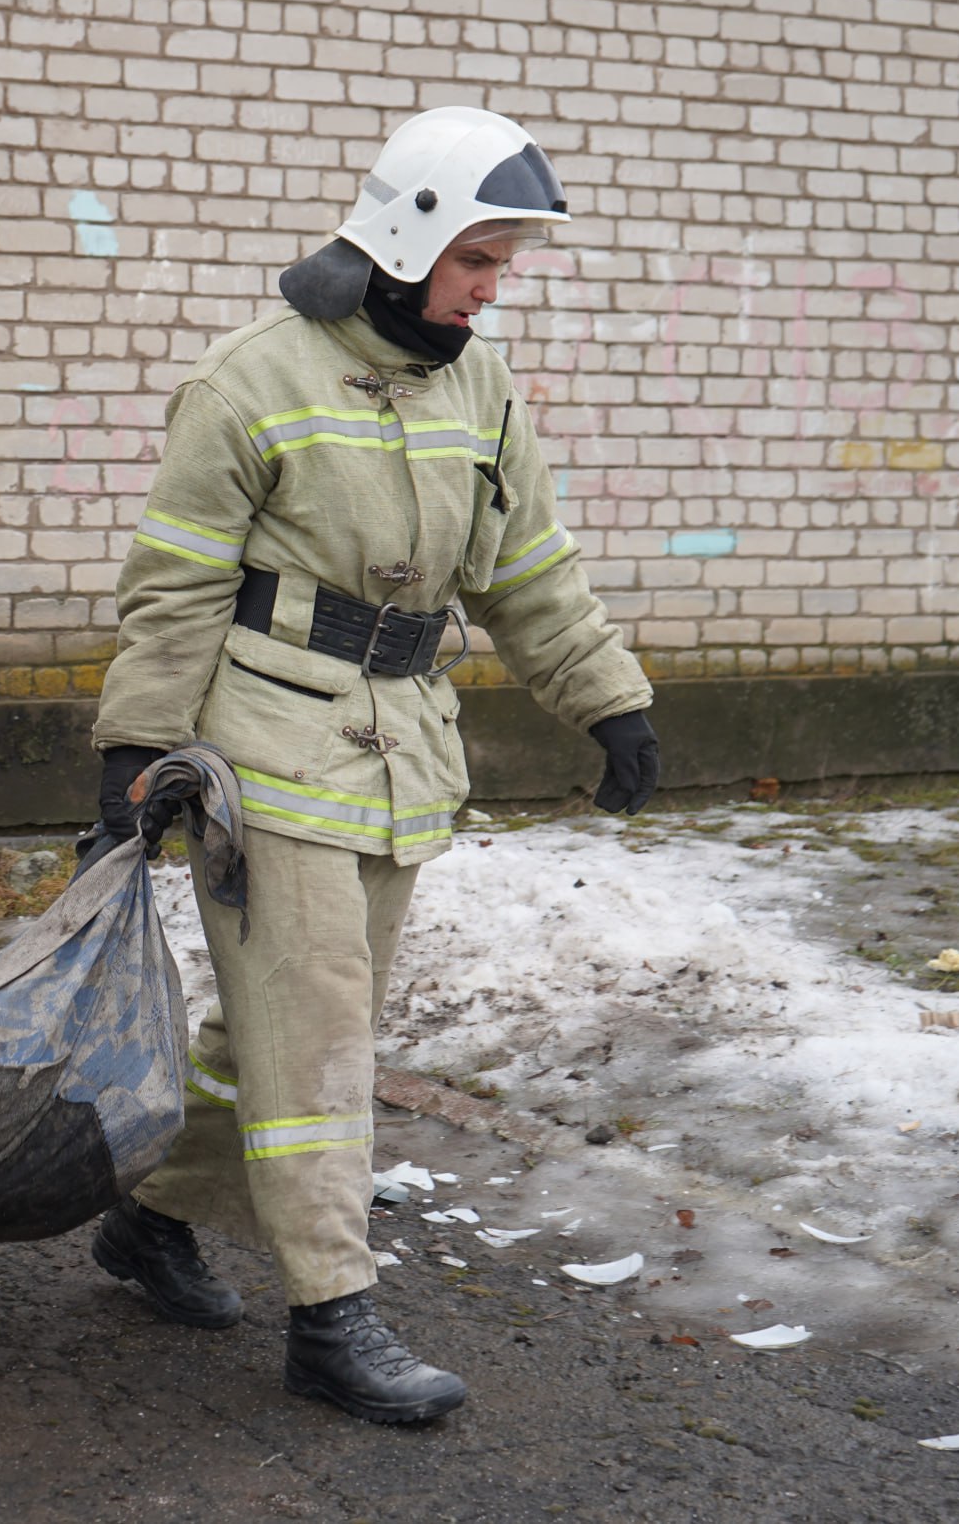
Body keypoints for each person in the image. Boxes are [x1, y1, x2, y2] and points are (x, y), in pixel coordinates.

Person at [85, 109, 662, 1424]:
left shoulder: (480, 386)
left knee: (280, 1023)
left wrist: (609, 702)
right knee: (320, 1034)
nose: (493, 286)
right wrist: (132, 751)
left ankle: (151, 1219)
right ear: (406, 239)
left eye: (504, 262)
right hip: (263, 752)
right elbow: (175, 586)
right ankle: (331, 1314)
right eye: (479, 259)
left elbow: (528, 571)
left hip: (400, 749)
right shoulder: (250, 379)